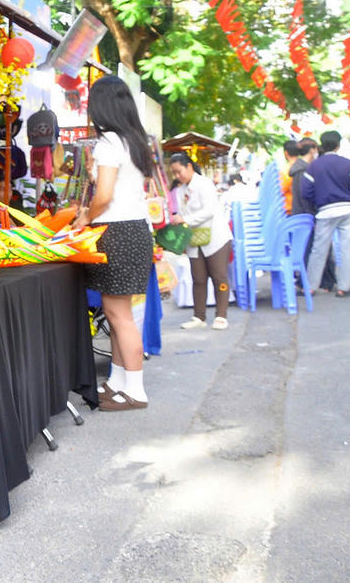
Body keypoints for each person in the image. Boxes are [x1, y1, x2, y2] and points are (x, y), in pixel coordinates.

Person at [71, 76, 154, 411]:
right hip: (134, 230)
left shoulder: (108, 143)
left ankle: (135, 391)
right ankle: (119, 382)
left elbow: (104, 197)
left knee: (120, 316)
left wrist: (84, 218)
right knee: (115, 310)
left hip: (116, 232)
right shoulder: (134, 140)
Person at [168, 153, 234, 330]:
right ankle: (199, 316)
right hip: (194, 239)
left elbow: (209, 211)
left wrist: (185, 219)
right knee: (198, 278)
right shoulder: (181, 190)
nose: (177, 176)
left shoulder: (204, 184)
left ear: (189, 167)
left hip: (216, 238)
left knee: (219, 276)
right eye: (174, 173)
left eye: (179, 171)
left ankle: (221, 315)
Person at [297, 130, 350, 297]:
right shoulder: (349, 164)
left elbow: (305, 191)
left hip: (325, 211)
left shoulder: (314, 166)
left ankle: (310, 287)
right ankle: (343, 288)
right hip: (348, 209)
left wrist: (319, 200)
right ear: (338, 145)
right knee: (345, 249)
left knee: (318, 250)